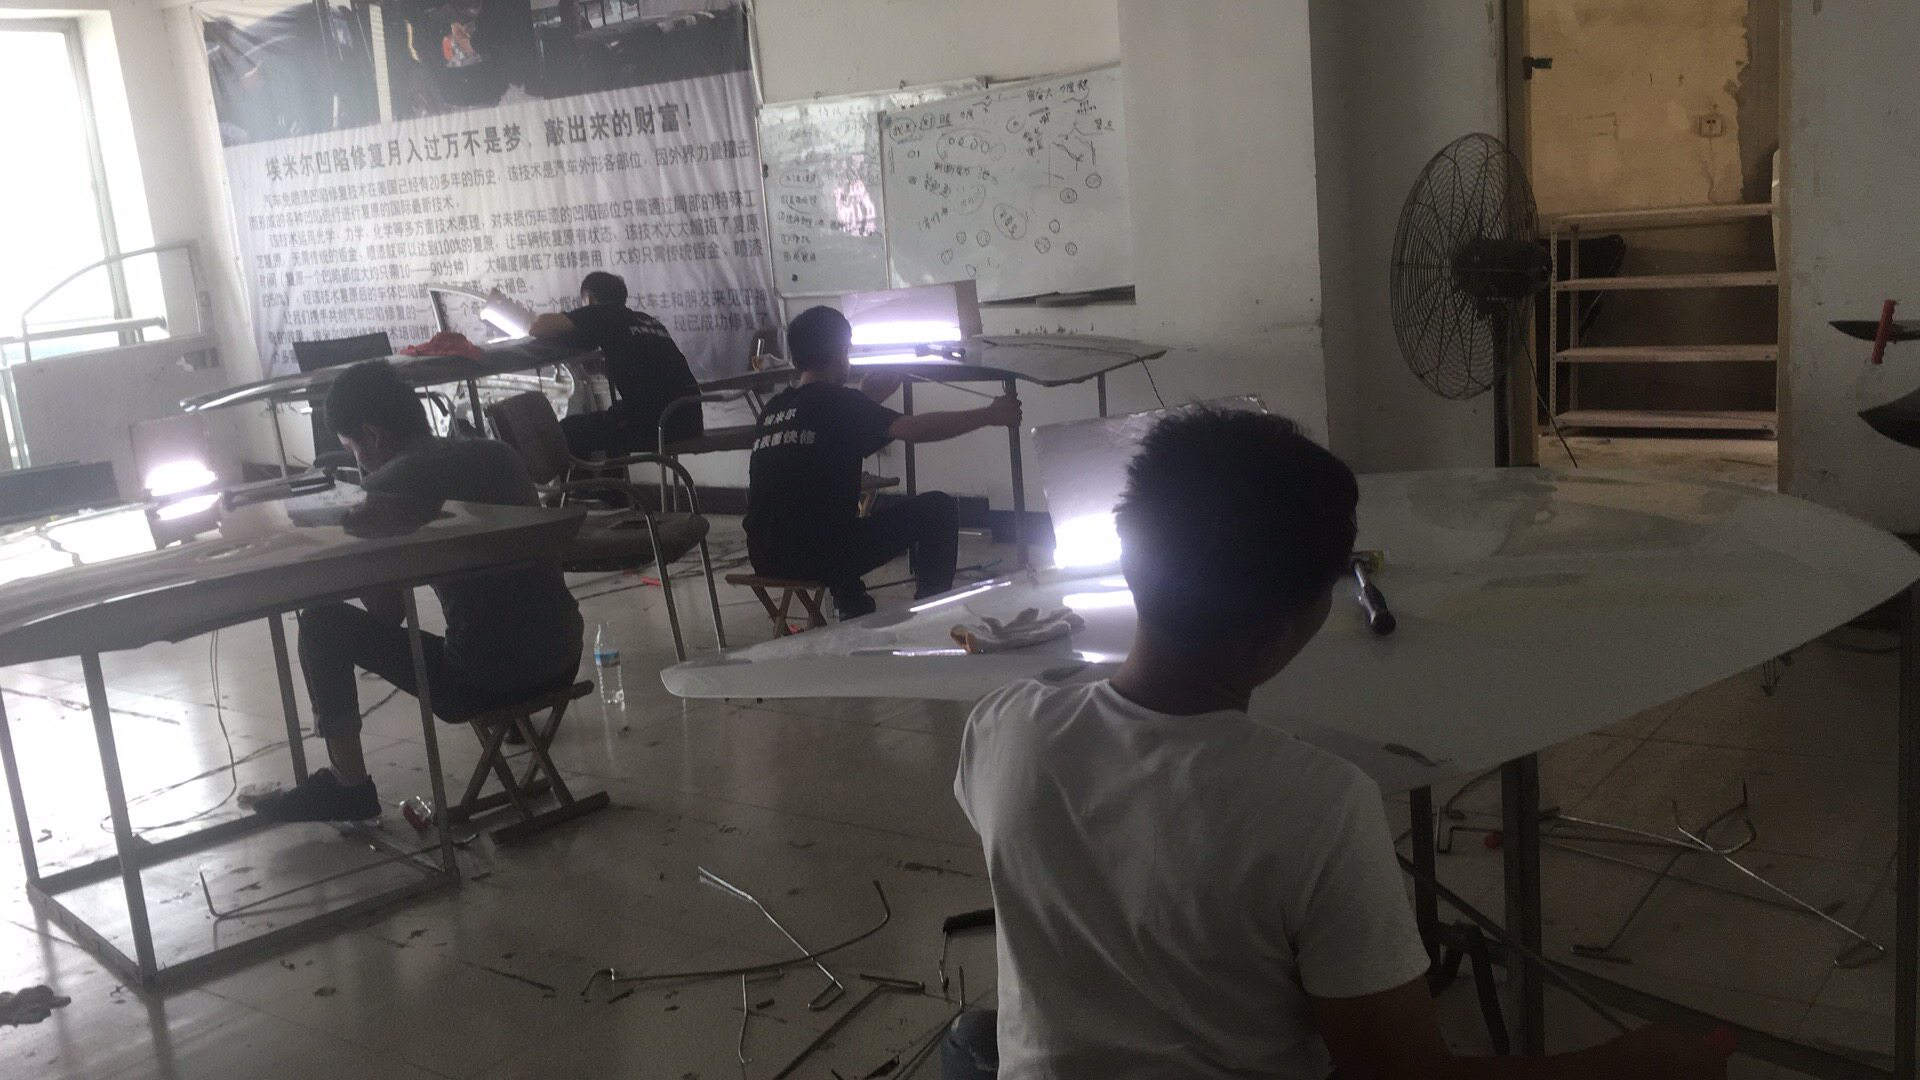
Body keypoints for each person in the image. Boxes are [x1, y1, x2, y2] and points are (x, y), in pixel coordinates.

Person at [948, 408, 1729, 1080]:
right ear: (1300, 622)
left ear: (1128, 558)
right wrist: (1636, 1064)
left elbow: (1118, 837)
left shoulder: (1004, 726)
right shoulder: (1316, 804)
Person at [254, 362, 584, 823]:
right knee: (503, 612)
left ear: (373, 435)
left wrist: (349, 546)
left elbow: (388, 614)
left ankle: (349, 785)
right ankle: (516, 727)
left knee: (322, 624)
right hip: (563, 657)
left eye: (352, 449)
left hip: (482, 682)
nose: (358, 461)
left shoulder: (388, 486)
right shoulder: (498, 454)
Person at [743, 306, 1021, 619]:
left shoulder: (773, 409)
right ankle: (930, 614)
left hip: (765, 556)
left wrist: (866, 401)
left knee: (824, 517)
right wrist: (990, 415)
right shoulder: (842, 403)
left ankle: (853, 605)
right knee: (938, 509)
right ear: (841, 352)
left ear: (795, 360)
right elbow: (913, 430)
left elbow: (831, 439)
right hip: (820, 557)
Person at [530, 271, 701, 460]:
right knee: (611, 422)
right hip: (689, 418)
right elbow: (650, 372)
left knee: (568, 430)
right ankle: (610, 479)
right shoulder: (646, 320)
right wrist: (603, 370)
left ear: (590, 298)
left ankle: (594, 480)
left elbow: (538, 327)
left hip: (660, 424)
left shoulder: (600, 313)